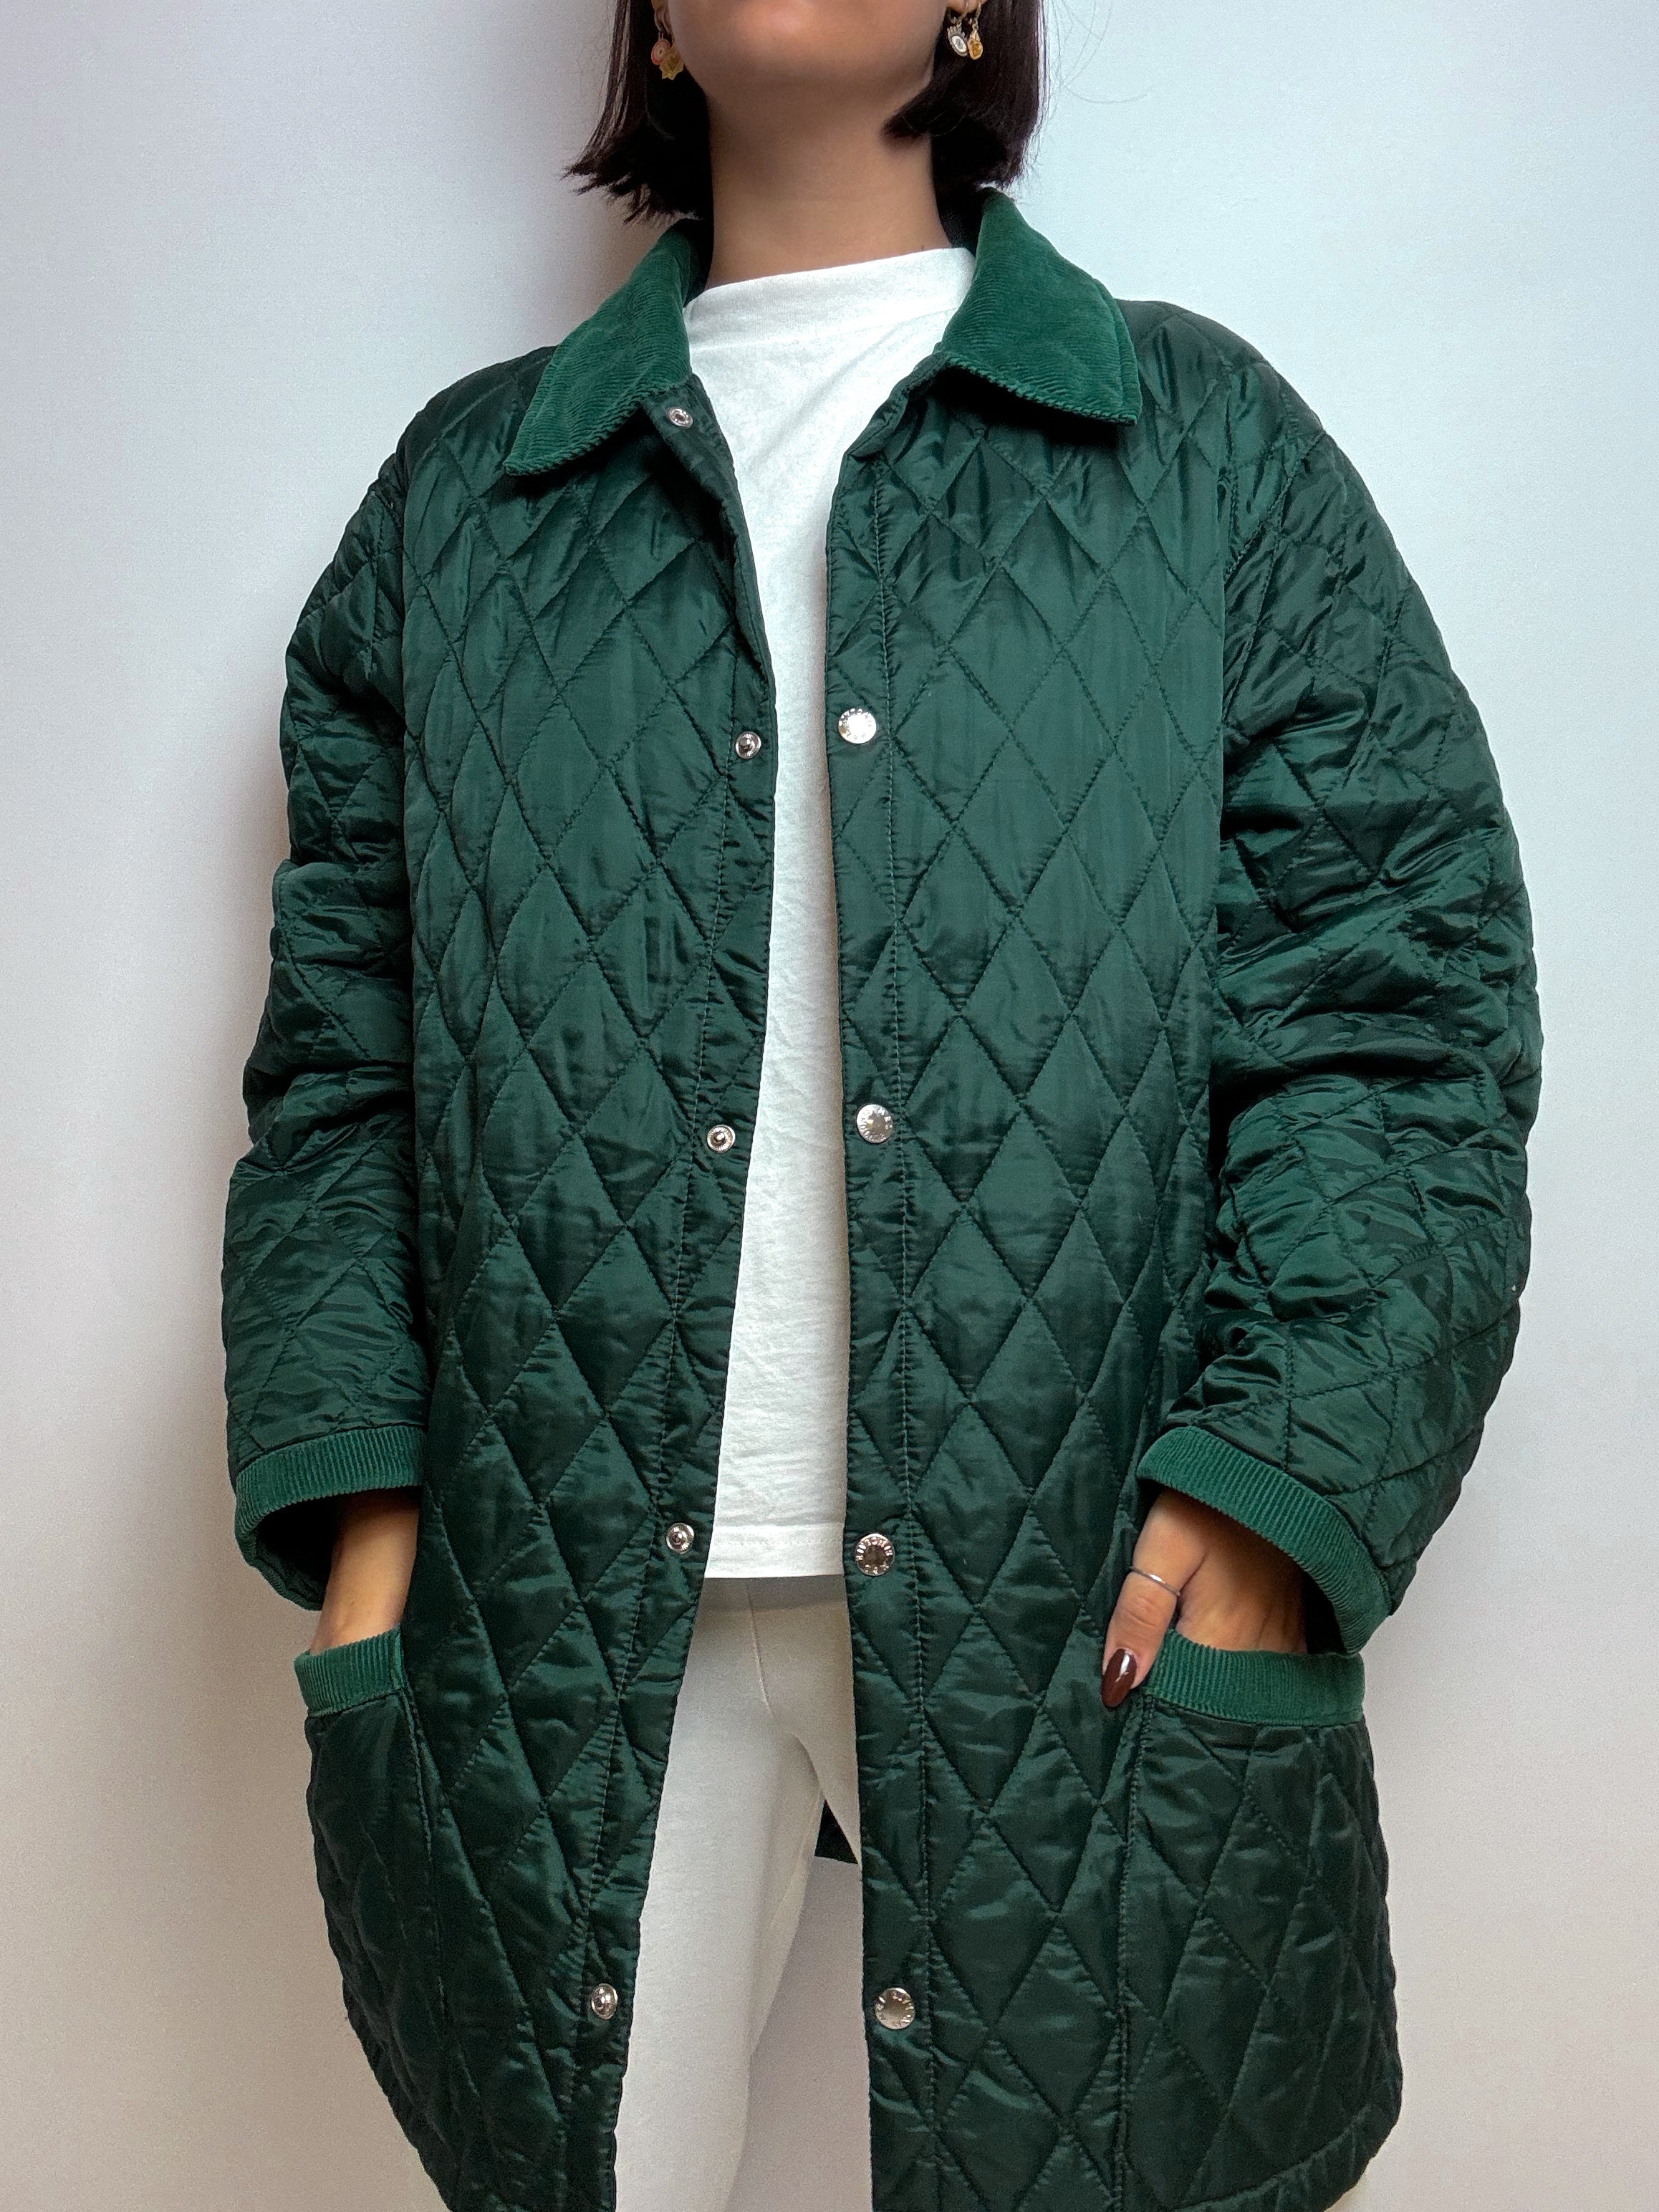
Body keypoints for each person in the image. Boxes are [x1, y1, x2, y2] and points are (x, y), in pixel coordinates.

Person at [219, 4, 1541, 2209]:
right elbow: (344, 1068)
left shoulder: (1196, 448)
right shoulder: (468, 498)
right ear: (650, 24)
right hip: (551, 1606)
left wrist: (1280, 1483)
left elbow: (1393, 1019)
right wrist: (368, 1535)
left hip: (1072, 1583)